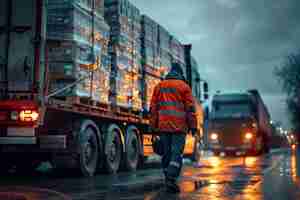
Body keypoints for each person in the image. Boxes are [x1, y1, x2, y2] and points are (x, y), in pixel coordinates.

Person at [150, 62, 198, 193]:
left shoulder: (159, 86)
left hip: (163, 127)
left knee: (166, 153)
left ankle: (168, 177)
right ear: (180, 73)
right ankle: (171, 178)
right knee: (176, 153)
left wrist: (153, 126)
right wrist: (193, 126)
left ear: (170, 72)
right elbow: (190, 109)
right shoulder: (184, 87)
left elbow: (153, 108)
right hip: (179, 128)